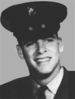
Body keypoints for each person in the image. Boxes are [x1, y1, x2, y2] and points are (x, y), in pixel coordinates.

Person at [0, 1, 75, 99]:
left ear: (60, 44)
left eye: (48, 40)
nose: (41, 49)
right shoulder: (5, 93)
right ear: (20, 52)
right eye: (30, 43)